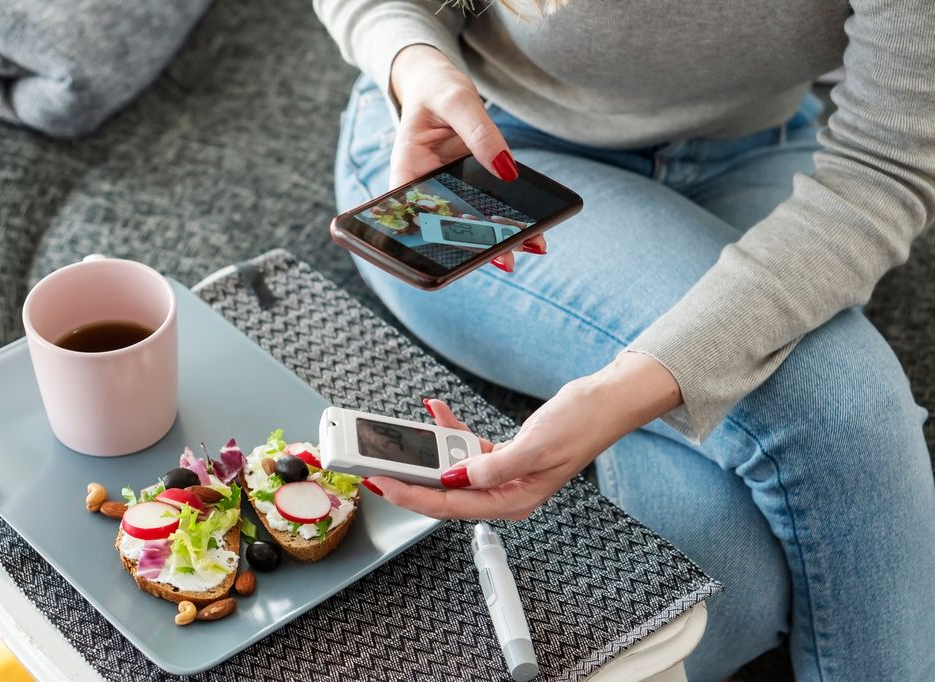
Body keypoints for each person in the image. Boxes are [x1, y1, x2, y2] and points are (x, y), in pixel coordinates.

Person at [313, 1, 935, 679]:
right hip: (477, 148)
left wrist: (620, 398)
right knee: (842, 404)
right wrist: (415, 62)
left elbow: (883, 169)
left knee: (733, 585)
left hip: (761, 147)